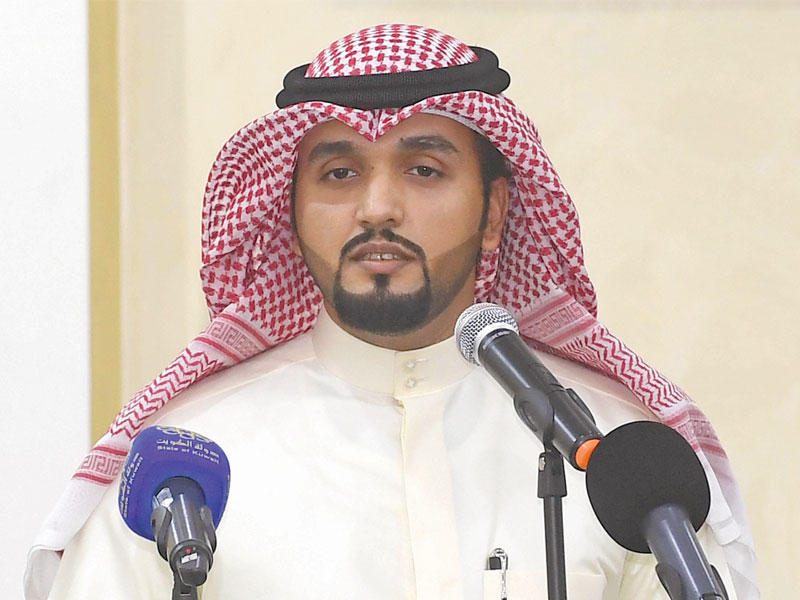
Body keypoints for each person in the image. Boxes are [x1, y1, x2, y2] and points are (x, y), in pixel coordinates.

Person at [25, 24, 757, 600]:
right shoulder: (181, 469)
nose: (377, 207)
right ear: (290, 212)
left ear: (494, 212)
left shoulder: (624, 467)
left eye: (424, 169)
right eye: (340, 173)